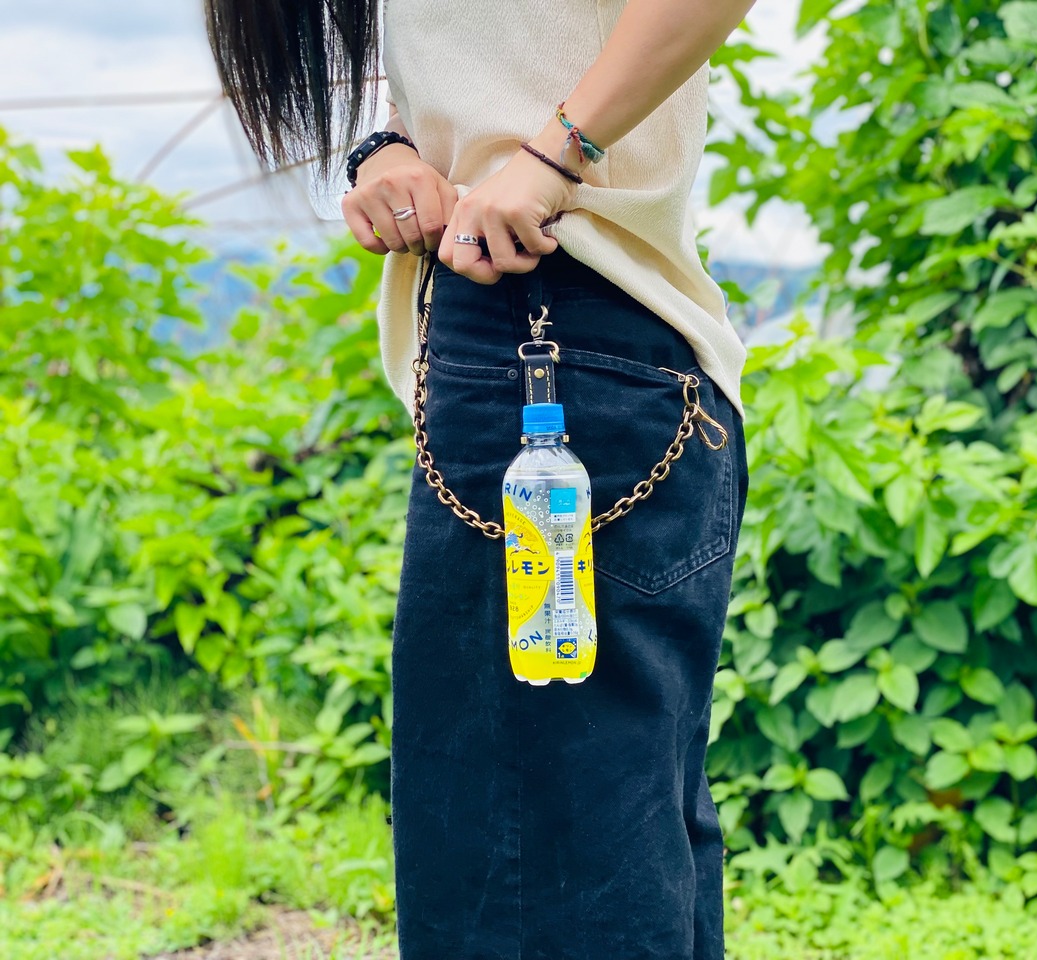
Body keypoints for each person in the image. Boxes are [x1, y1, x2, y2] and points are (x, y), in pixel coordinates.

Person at [205, 1, 755, 957]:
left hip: (548, 335)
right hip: (619, 353)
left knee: (525, 869)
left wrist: (550, 158)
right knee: (614, 838)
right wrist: (386, 145)